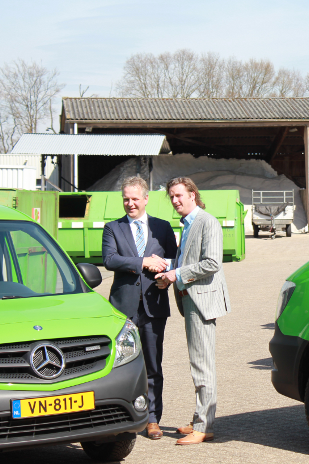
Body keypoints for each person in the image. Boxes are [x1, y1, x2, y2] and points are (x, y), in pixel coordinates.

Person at [155, 176, 231, 445]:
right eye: (172, 197)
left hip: (201, 302)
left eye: (179, 195)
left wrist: (176, 274)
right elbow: (187, 260)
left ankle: (204, 425)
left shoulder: (207, 222)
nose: (175, 200)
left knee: (202, 363)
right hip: (190, 299)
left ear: (192, 195)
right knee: (198, 361)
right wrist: (167, 269)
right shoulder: (187, 224)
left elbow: (212, 263)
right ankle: (200, 417)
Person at [102, 176, 177, 440]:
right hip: (123, 309)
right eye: (126, 199)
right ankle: (121, 415)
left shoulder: (162, 227)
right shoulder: (113, 228)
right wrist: (143, 262)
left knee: (153, 365)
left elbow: (174, 259)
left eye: (135, 199)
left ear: (146, 199)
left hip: (154, 305)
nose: (130, 203)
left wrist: (166, 276)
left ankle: (152, 419)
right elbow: (110, 260)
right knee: (120, 365)